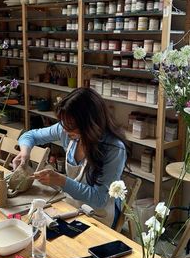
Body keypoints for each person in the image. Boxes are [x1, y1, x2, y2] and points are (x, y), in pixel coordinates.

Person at [13, 88, 127, 226]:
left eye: (71, 126)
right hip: (72, 206)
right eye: (63, 123)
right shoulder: (66, 129)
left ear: (90, 124)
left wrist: (61, 181)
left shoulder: (114, 149)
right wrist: (25, 152)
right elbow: (29, 136)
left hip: (98, 215)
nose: (65, 130)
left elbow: (99, 199)